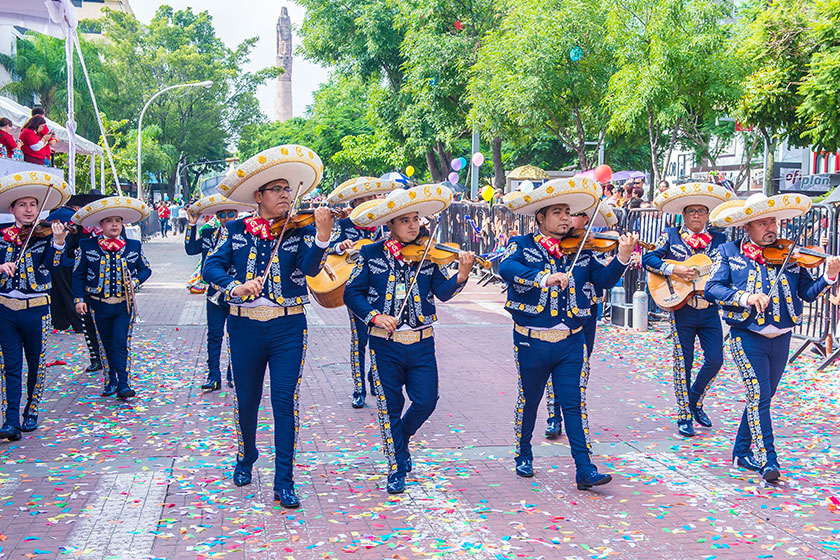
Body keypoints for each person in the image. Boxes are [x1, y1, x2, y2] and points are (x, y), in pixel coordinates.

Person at [203, 145, 334, 509]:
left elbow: (310, 268)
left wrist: (323, 237)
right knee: (246, 399)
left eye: (288, 189)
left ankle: (284, 480)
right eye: (277, 189)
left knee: (284, 401)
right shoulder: (236, 229)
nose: (285, 195)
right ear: (258, 196)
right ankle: (246, 455)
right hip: (244, 327)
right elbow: (211, 267)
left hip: (288, 327)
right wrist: (235, 287)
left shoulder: (300, 230)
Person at [499, 178, 636, 488]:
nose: (566, 218)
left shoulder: (582, 250)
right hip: (531, 340)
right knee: (530, 399)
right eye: (557, 212)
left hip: (571, 340)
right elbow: (506, 269)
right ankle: (523, 453)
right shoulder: (522, 245)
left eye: (568, 213)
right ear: (540, 217)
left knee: (574, 403)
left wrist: (622, 257)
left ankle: (584, 468)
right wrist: (543, 278)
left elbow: (603, 280)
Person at [344, 185, 474, 494]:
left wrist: (461, 275)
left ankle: (399, 439)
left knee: (427, 400)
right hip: (385, 344)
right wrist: (374, 316)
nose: (413, 226)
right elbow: (351, 293)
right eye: (405, 220)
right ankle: (395, 467)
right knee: (389, 405)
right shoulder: (370, 253)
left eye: (415, 219)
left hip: (421, 342)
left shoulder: (428, 255)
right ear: (390, 224)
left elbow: (442, 292)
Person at [706, 193, 840, 481]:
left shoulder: (790, 253)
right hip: (746, 335)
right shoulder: (729, 252)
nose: (771, 229)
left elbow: (807, 293)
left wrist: (828, 277)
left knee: (762, 397)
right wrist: (745, 297)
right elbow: (712, 288)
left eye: (773, 222)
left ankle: (741, 452)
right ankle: (768, 459)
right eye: (763, 223)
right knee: (758, 395)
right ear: (747, 227)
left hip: (781, 337)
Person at [642, 183, 733, 437]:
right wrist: (676, 269)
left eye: (701, 211)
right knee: (683, 362)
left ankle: (695, 400)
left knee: (715, 359)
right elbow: (648, 259)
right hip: (681, 308)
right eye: (691, 211)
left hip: (709, 309)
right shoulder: (671, 235)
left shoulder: (720, 240)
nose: (696, 215)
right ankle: (684, 414)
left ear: (707, 215)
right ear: (683, 215)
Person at [0, 171, 70, 440]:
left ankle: (31, 410)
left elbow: (54, 266)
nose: (29, 210)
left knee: (36, 363)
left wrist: (59, 243)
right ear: (12, 209)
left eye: (33, 205)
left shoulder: (46, 235)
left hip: (37, 308)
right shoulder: (2, 235)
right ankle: (10, 420)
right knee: (9, 365)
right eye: (23, 205)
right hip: (5, 309)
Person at [543, 204, 620, 439]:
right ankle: (553, 416)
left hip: (586, 310)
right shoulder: (552, 242)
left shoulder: (590, 244)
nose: (572, 219)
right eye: (570, 214)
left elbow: (602, 278)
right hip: (556, 313)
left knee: (581, 366)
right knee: (552, 367)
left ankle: (573, 415)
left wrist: (620, 258)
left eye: (576, 214)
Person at [325, 176, 399, 408]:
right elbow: (327, 248)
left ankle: (374, 377)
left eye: (372, 197)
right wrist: (340, 246)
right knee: (359, 339)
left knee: (381, 336)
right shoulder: (345, 224)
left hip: (380, 287)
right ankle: (359, 389)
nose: (369, 202)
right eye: (364, 199)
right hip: (356, 288)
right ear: (355, 202)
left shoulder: (383, 223)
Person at [72, 197, 153, 400]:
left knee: (120, 343)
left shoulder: (133, 246)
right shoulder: (87, 245)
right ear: (101, 225)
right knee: (105, 343)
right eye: (109, 221)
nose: (115, 225)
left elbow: (146, 269)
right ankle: (110, 380)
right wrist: (79, 299)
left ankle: (124, 383)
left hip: (124, 306)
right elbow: (78, 274)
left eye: (118, 220)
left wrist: (134, 281)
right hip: (98, 304)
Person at [185, 195, 255, 391]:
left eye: (231, 214)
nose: (226, 218)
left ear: (237, 214)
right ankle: (213, 376)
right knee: (214, 335)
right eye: (222, 215)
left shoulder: (244, 234)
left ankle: (233, 375)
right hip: (214, 292)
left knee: (236, 335)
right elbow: (191, 249)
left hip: (236, 292)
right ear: (217, 216)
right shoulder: (209, 233)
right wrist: (192, 225)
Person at [46, 190, 107, 373]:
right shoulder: (79, 227)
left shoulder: (112, 224)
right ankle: (95, 357)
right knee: (88, 321)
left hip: (107, 281)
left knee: (108, 322)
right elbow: (69, 249)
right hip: (85, 279)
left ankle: (110, 357)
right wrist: (82, 254)